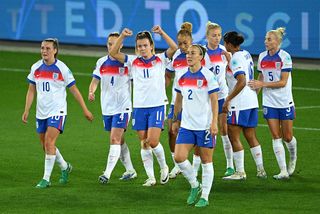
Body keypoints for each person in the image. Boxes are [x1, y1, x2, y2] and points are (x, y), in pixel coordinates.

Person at [109, 26, 178, 186]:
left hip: (157, 106)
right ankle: (151, 177)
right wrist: (122, 36)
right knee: (144, 142)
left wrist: (162, 33)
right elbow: (113, 53)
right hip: (140, 107)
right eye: (139, 46)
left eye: (145, 45)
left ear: (151, 46)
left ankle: (163, 167)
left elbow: (174, 47)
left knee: (153, 141)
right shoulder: (133, 61)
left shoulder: (161, 59)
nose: (142, 48)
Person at [22, 38, 93, 188]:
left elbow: (74, 90)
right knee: (45, 146)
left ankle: (46, 179)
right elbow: (31, 90)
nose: (44, 51)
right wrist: (27, 109)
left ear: (55, 50)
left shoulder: (62, 68)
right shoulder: (35, 67)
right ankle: (65, 167)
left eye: (47, 48)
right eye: (42, 48)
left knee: (49, 142)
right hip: (41, 112)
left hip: (58, 111)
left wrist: (85, 109)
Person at [172, 44, 219, 207]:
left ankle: (204, 196)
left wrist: (214, 122)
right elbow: (178, 100)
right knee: (179, 157)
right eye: (188, 53)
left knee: (207, 161)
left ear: (201, 57)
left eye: (193, 53)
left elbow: (214, 100)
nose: (189, 55)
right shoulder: (182, 77)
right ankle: (195, 185)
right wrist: (175, 120)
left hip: (204, 126)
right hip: (187, 125)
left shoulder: (208, 76)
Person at [248, 27, 297, 180]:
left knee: (287, 136)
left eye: (269, 39)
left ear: (277, 41)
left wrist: (262, 85)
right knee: (276, 135)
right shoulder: (262, 57)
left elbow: (283, 82)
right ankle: (283, 170)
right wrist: (254, 97)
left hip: (284, 100)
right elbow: (261, 78)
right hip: (269, 102)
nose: (265, 42)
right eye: (265, 39)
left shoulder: (285, 57)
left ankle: (293, 157)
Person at [88, 32, 137, 184]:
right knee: (120, 139)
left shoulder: (127, 63)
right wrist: (91, 91)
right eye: (109, 43)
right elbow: (95, 80)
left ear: (121, 45)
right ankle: (130, 170)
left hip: (123, 107)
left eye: (115, 43)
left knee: (114, 138)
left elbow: (137, 83)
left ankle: (107, 174)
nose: (112, 46)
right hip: (107, 107)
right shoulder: (101, 62)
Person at [221, 32, 267, 180]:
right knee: (251, 135)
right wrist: (230, 59)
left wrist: (228, 99)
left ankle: (240, 172)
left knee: (233, 135)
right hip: (251, 100)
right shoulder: (245, 53)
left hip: (239, 104)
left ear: (228, 44)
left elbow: (241, 81)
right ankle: (261, 170)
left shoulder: (235, 59)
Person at [203, 21, 234, 176]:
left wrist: (229, 60)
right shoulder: (201, 52)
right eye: (214, 35)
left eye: (219, 35)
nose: (217, 38)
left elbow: (233, 71)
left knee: (223, 129)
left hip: (221, 95)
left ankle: (230, 165)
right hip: (205, 97)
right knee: (205, 130)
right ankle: (207, 163)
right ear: (207, 36)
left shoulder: (223, 51)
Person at [165, 22, 193, 179]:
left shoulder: (198, 54)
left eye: (185, 43)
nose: (182, 46)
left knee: (190, 134)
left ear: (191, 41)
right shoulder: (175, 56)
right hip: (176, 101)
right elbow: (168, 74)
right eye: (180, 43)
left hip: (193, 102)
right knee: (171, 132)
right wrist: (163, 85)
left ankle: (192, 165)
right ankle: (177, 164)